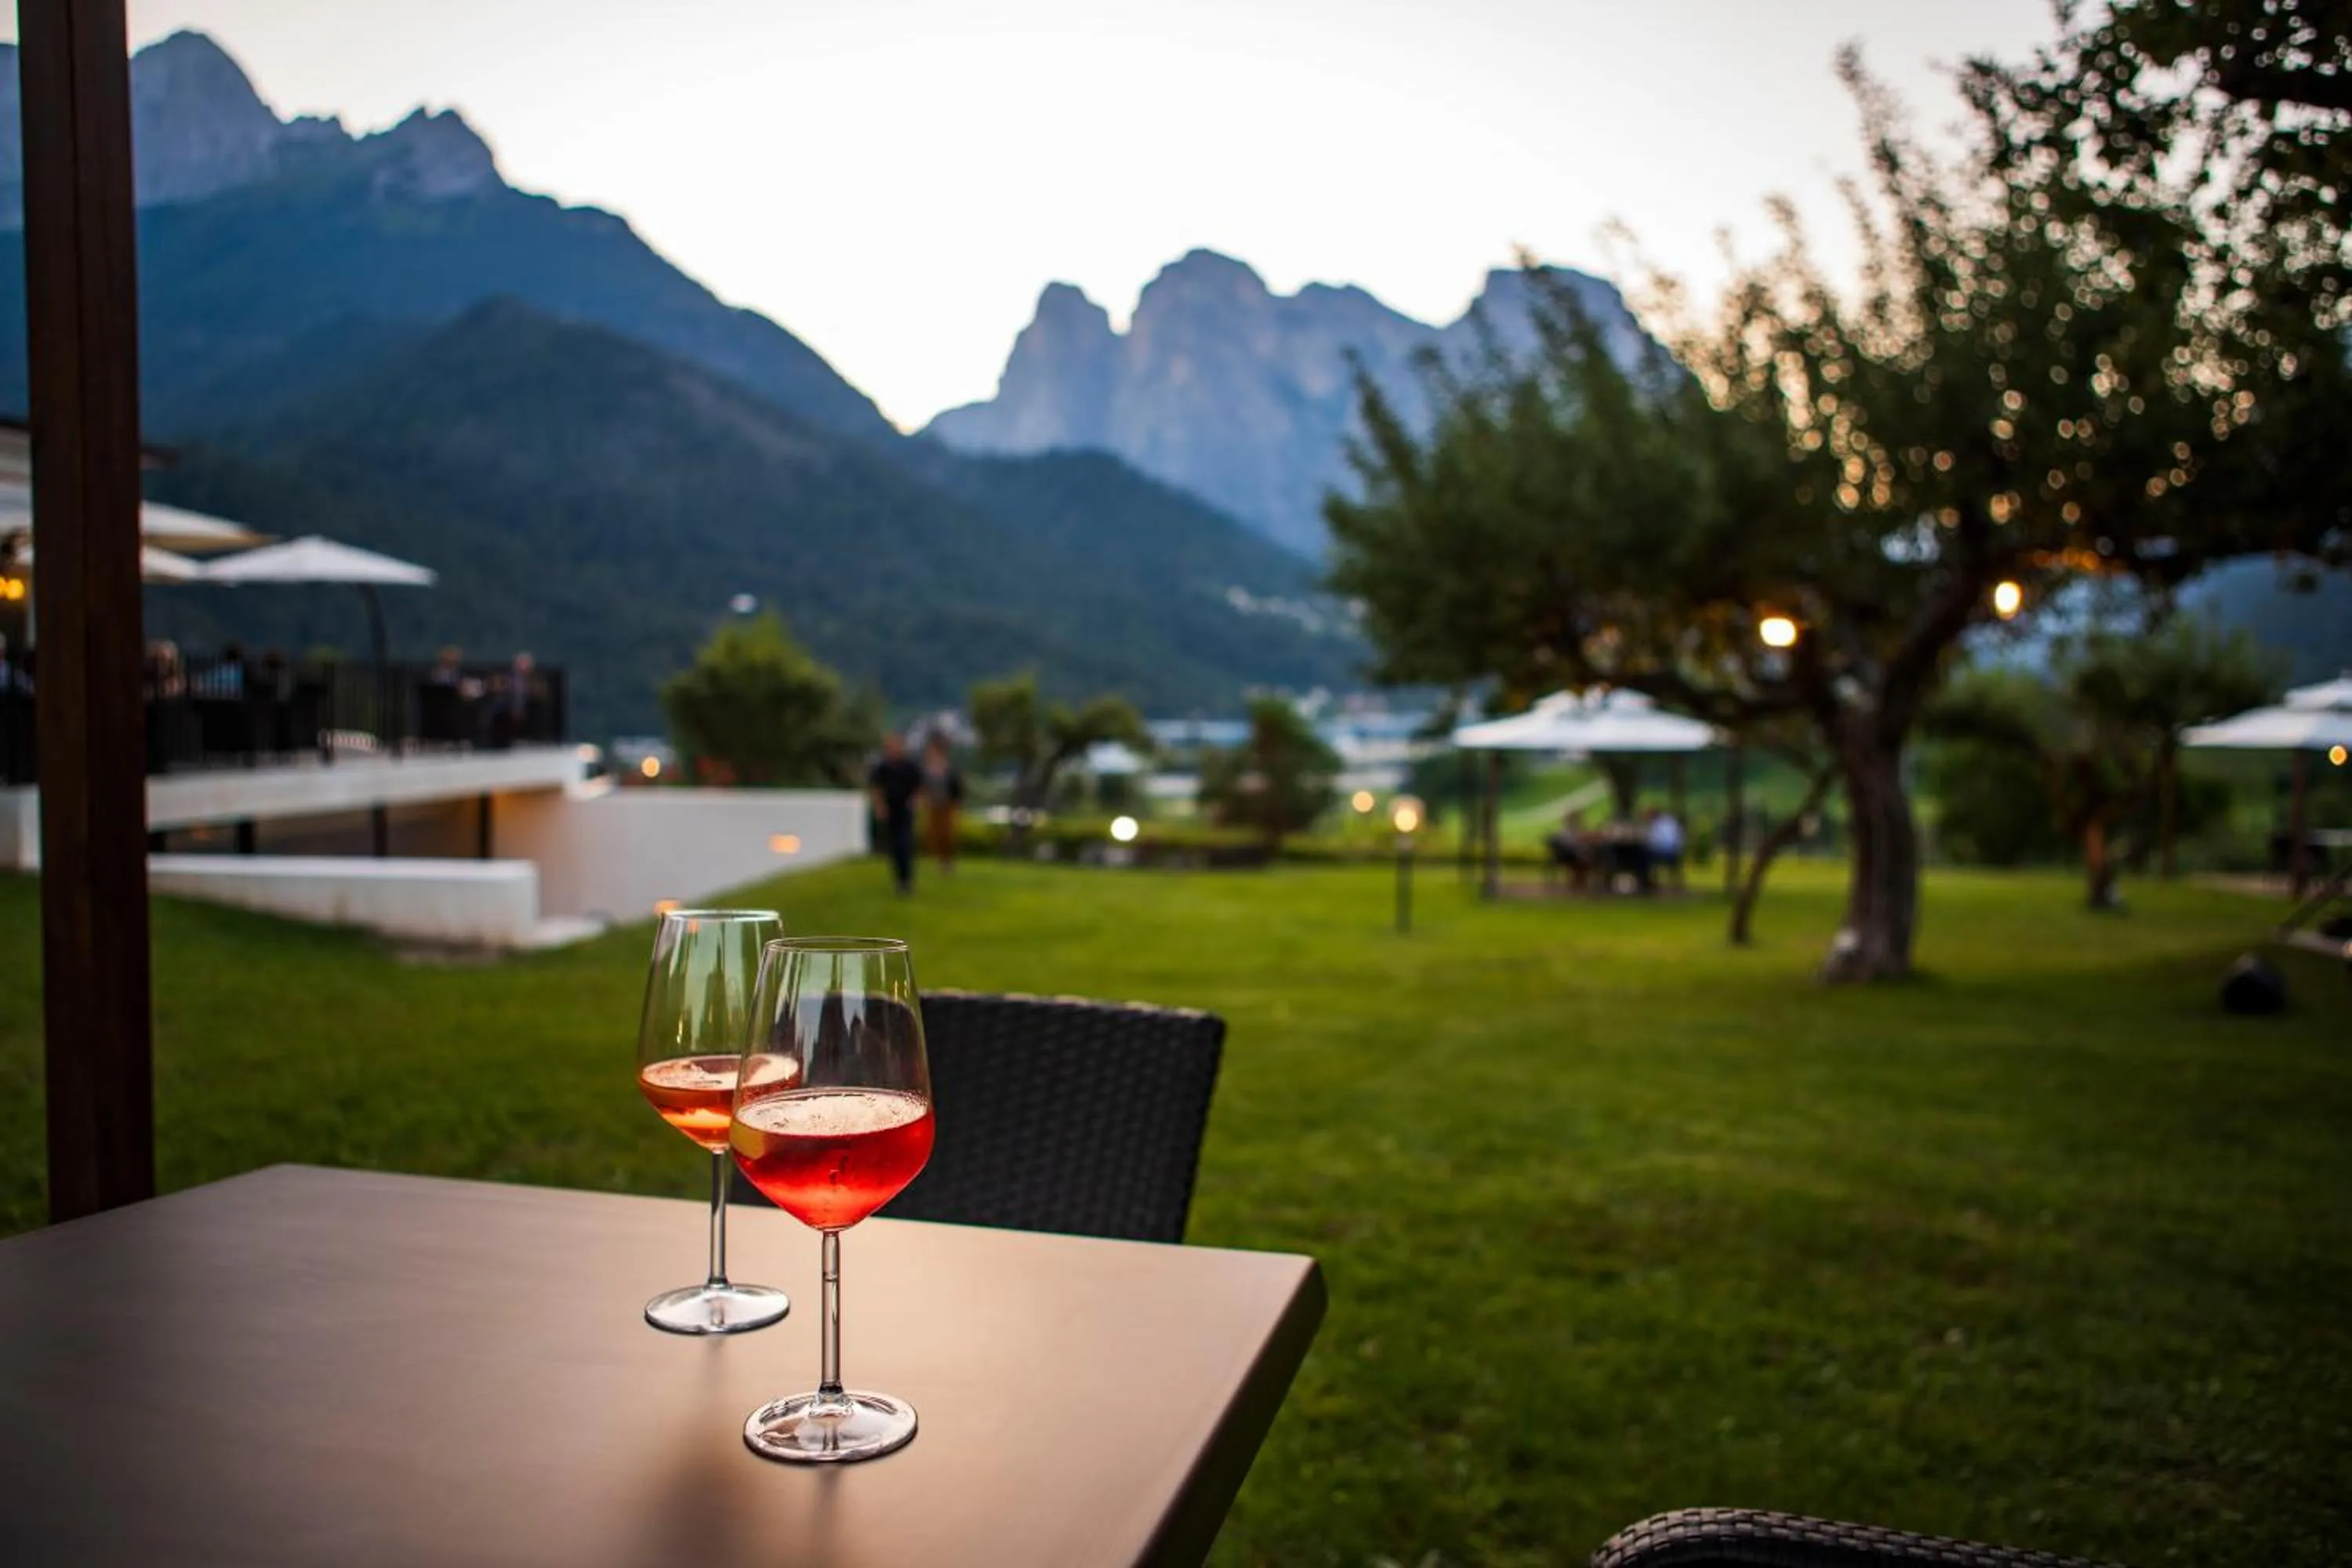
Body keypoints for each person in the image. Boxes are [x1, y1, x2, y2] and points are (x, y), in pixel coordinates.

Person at [869, 733, 925, 895]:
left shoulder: (910, 767)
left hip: (905, 810)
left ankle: (907, 879)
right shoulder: (882, 768)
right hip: (890, 810)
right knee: (894, 846)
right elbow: (875, 788)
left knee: (904, 843)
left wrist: (914, 802)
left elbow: (919, 787)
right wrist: (880, 807)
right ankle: (900, 880)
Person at [919, 732, 965, 873]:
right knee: (933, 834)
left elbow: (956, 787)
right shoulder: (926, 769)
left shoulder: (948, 768)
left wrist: (957, 803)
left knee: (947, 834)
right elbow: (922, 786)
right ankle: (939, 860)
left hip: (947, 804)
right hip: (932, 804)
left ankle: (947, 861)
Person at [1645, 806, 1686, 890]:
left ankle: (1650, 883)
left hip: (1664, 851)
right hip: (1675, 851)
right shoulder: (1670, 821)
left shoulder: (1657, 824)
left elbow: (1654, 841)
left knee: (1644, 857)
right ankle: (1676, 884)